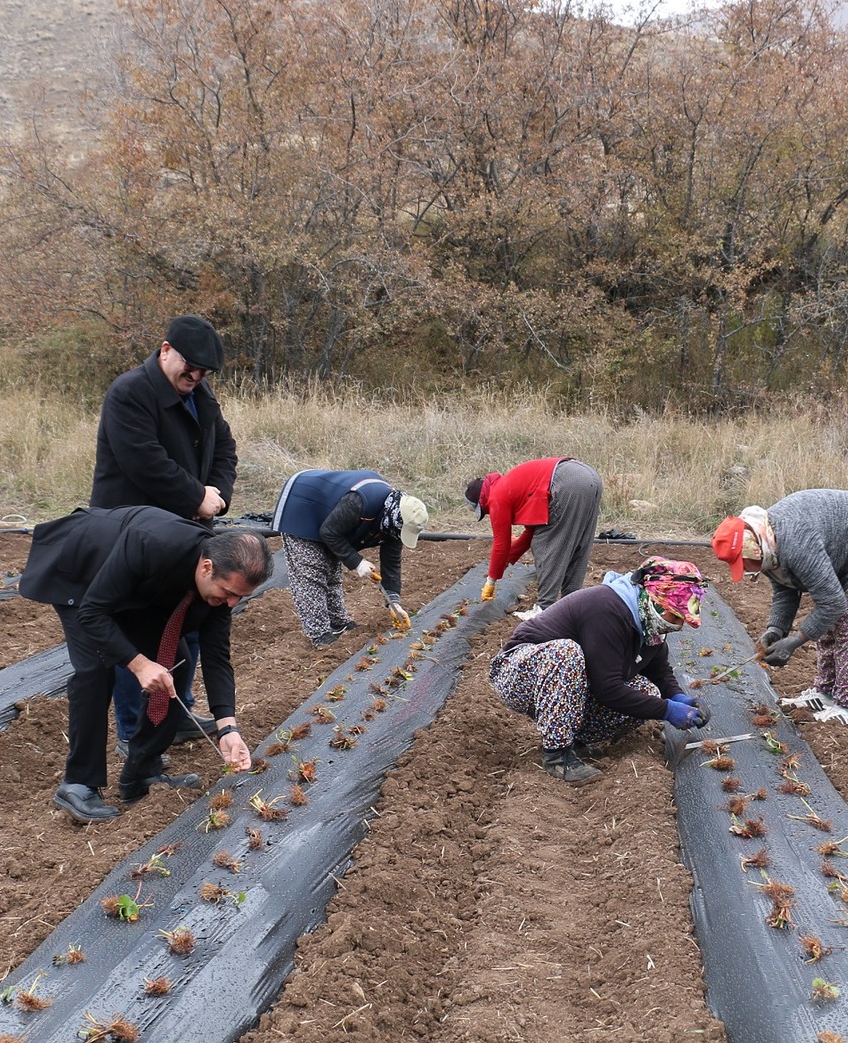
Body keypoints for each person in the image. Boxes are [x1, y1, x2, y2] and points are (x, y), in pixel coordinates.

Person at [20, 505, 269, 822]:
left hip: (134, 588)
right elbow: (93, 613)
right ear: (207, 568)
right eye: (229, 593)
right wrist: (138, 665)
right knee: (97, 669)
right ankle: (78, 783)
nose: (232, 603)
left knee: (175, 660)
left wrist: (228, 729)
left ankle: (141, 774)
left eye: (239, 597)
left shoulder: (220, 582)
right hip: (81, 573)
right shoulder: (154, 543)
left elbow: (217, 656)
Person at [90, 314, 239, 755]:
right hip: (132, 535)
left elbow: (226, 451)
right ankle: (134, 731)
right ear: (165, 349)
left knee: (187, 628)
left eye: (204, 372)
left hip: (187, 535)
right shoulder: (130, 393)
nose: (194, 377)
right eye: (189, 367)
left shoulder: (201, 396)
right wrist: (197, 496)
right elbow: (145, 463)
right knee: (137, 632)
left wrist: (218, 497)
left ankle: (177, 714)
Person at [489, 557, 709, 783]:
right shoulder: (607, 608)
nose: (678, 624)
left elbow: (660, 672)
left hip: (569, 685)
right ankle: (557, 755)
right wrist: (667, 711)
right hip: (519, 673)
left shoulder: (648, 624)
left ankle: (577, 740)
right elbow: (607, 688)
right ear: (654, 600)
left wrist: (678, 697)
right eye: (675, 616)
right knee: (566, 652)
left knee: (648, 693)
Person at [711, 490, 848, 727]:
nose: (745, 570)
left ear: (754, 549)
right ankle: (825, 692)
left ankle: (847, 707)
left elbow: (834, 603)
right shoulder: (766, 541)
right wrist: (775, 629)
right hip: (846, 545)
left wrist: (795, 641)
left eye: (743, 563)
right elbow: (786, 588)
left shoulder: (794, 542)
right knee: (828, 625)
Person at [272, 469, 429, 644]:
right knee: (312, 571)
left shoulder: (393, 525)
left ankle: (339, 622)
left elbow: (391, 564)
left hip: (331, 519)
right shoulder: (361, 502)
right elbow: (329, 532)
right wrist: (357, 562)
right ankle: (319, 634)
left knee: (331, 569)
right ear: (396, 519)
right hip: (303, 505)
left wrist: (394, 602)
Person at [465, 456, 603, 619]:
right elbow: (531, 531)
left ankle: (544, 609)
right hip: (588, 476)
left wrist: (491, 581)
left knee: (545, 544)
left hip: (567, 482)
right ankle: (572, 603)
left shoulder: (495, 496)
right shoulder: (509, 484)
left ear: (481, 501)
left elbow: (501, 544)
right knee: (579, 542)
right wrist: (507, 561)